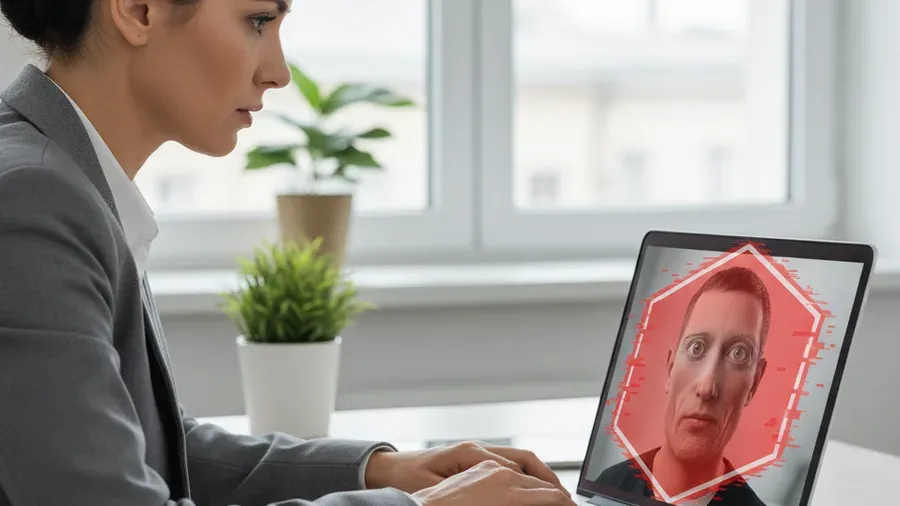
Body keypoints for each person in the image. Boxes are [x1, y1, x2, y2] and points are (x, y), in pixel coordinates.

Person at [0, 1, 577, 505]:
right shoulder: (34, 201)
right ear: (137, 9)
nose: (278, 73)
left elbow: (151, 451)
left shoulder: (65, 180)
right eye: (258, 20)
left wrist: (382, 471)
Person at [596, 266, 770, 505]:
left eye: (738, 354)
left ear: (754, 383)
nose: (706, 387)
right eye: (696, 348)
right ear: (670, 369)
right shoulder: (608, 485)